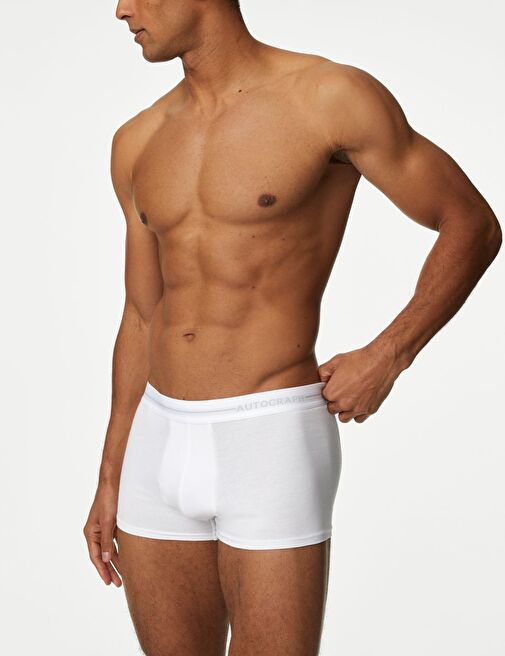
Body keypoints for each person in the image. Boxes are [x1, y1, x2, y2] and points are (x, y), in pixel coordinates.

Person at [83, 1, 502, 654]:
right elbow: (141, 312)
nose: (121, 9)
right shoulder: (136, 140)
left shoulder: (329, 97)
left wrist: (389, 354)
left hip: (269, 434)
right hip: (156, 443)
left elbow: (470, 223)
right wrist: (111, 473)